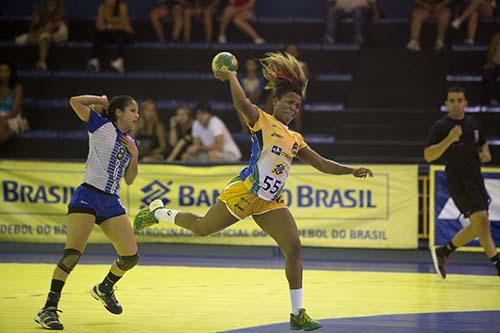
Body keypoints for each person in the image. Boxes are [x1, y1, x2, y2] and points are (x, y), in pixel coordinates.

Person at [134, 52, 374, 330]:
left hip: (270, 202)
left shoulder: (295, 139)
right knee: (201, 228)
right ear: (276, 102)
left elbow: (320, 163)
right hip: (245, 193)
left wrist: (350, 170)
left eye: (298, 105)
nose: (294, 108)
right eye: (289, 102)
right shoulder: (262, 121)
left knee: (294, 249)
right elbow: (241, 102)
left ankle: (298, 313)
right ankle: (159, 212)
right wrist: (233, 76)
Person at [34, 95, 140, 330]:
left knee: (130, 256)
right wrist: (101, 99)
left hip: (111, 201)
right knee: (72, 254)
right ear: (119, 112)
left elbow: (130, 180)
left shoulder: (130, 141)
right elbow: (74, 101)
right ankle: (48, 309)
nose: (137, 115)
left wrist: (135, 155)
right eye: (132, 110)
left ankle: (105, 288)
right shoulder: (101, 126)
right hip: (88, 195)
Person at [424, 86, 500, 279]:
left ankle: (445, 250)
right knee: (481, 221)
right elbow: (428, 156)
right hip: (457, 181)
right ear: (446, 104)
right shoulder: (440, 127)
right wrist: (449, 139)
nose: (456, 104)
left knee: (479, 226)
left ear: (465, 103)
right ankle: (497, 263)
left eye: (459, 100)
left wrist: (486, 151)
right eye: (452, 100)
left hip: (476, 178)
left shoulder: (473, 122)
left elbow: (482, 142)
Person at [15, 0, 68, 70]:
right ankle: (42, 62)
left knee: (47, 30)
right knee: (45, 37)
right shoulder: (40, 7)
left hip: (59, 31)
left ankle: (28, 37)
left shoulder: (61, 6)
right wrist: (32, 31)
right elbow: (34, 22)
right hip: (45, 32)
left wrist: (36, 33)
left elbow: (56, 24)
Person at [87, 0, 134, 73]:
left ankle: (120, 61)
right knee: (97, 33)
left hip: (126, 34)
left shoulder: (122, 6)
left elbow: (124, 25)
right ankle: (94, 60)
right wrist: (112, 26)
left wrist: (109, 26)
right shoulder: (102, 7)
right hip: (110, 33)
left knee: (120, 34)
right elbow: (99, 25)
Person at [0, 62, 29, 145]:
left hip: (13, 116)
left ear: (11, 73)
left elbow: (15, 111)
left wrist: (3, 119)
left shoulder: (17, 88)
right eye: (1, 71)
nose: (3, 74)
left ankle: (16, 129)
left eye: (6, 71)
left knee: (2, 126)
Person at [483, 31, 500, 106]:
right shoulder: (497, 37)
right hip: (497, 65)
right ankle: (493, 98)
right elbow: (491, 53)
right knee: (489, 72)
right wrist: (490, 63)